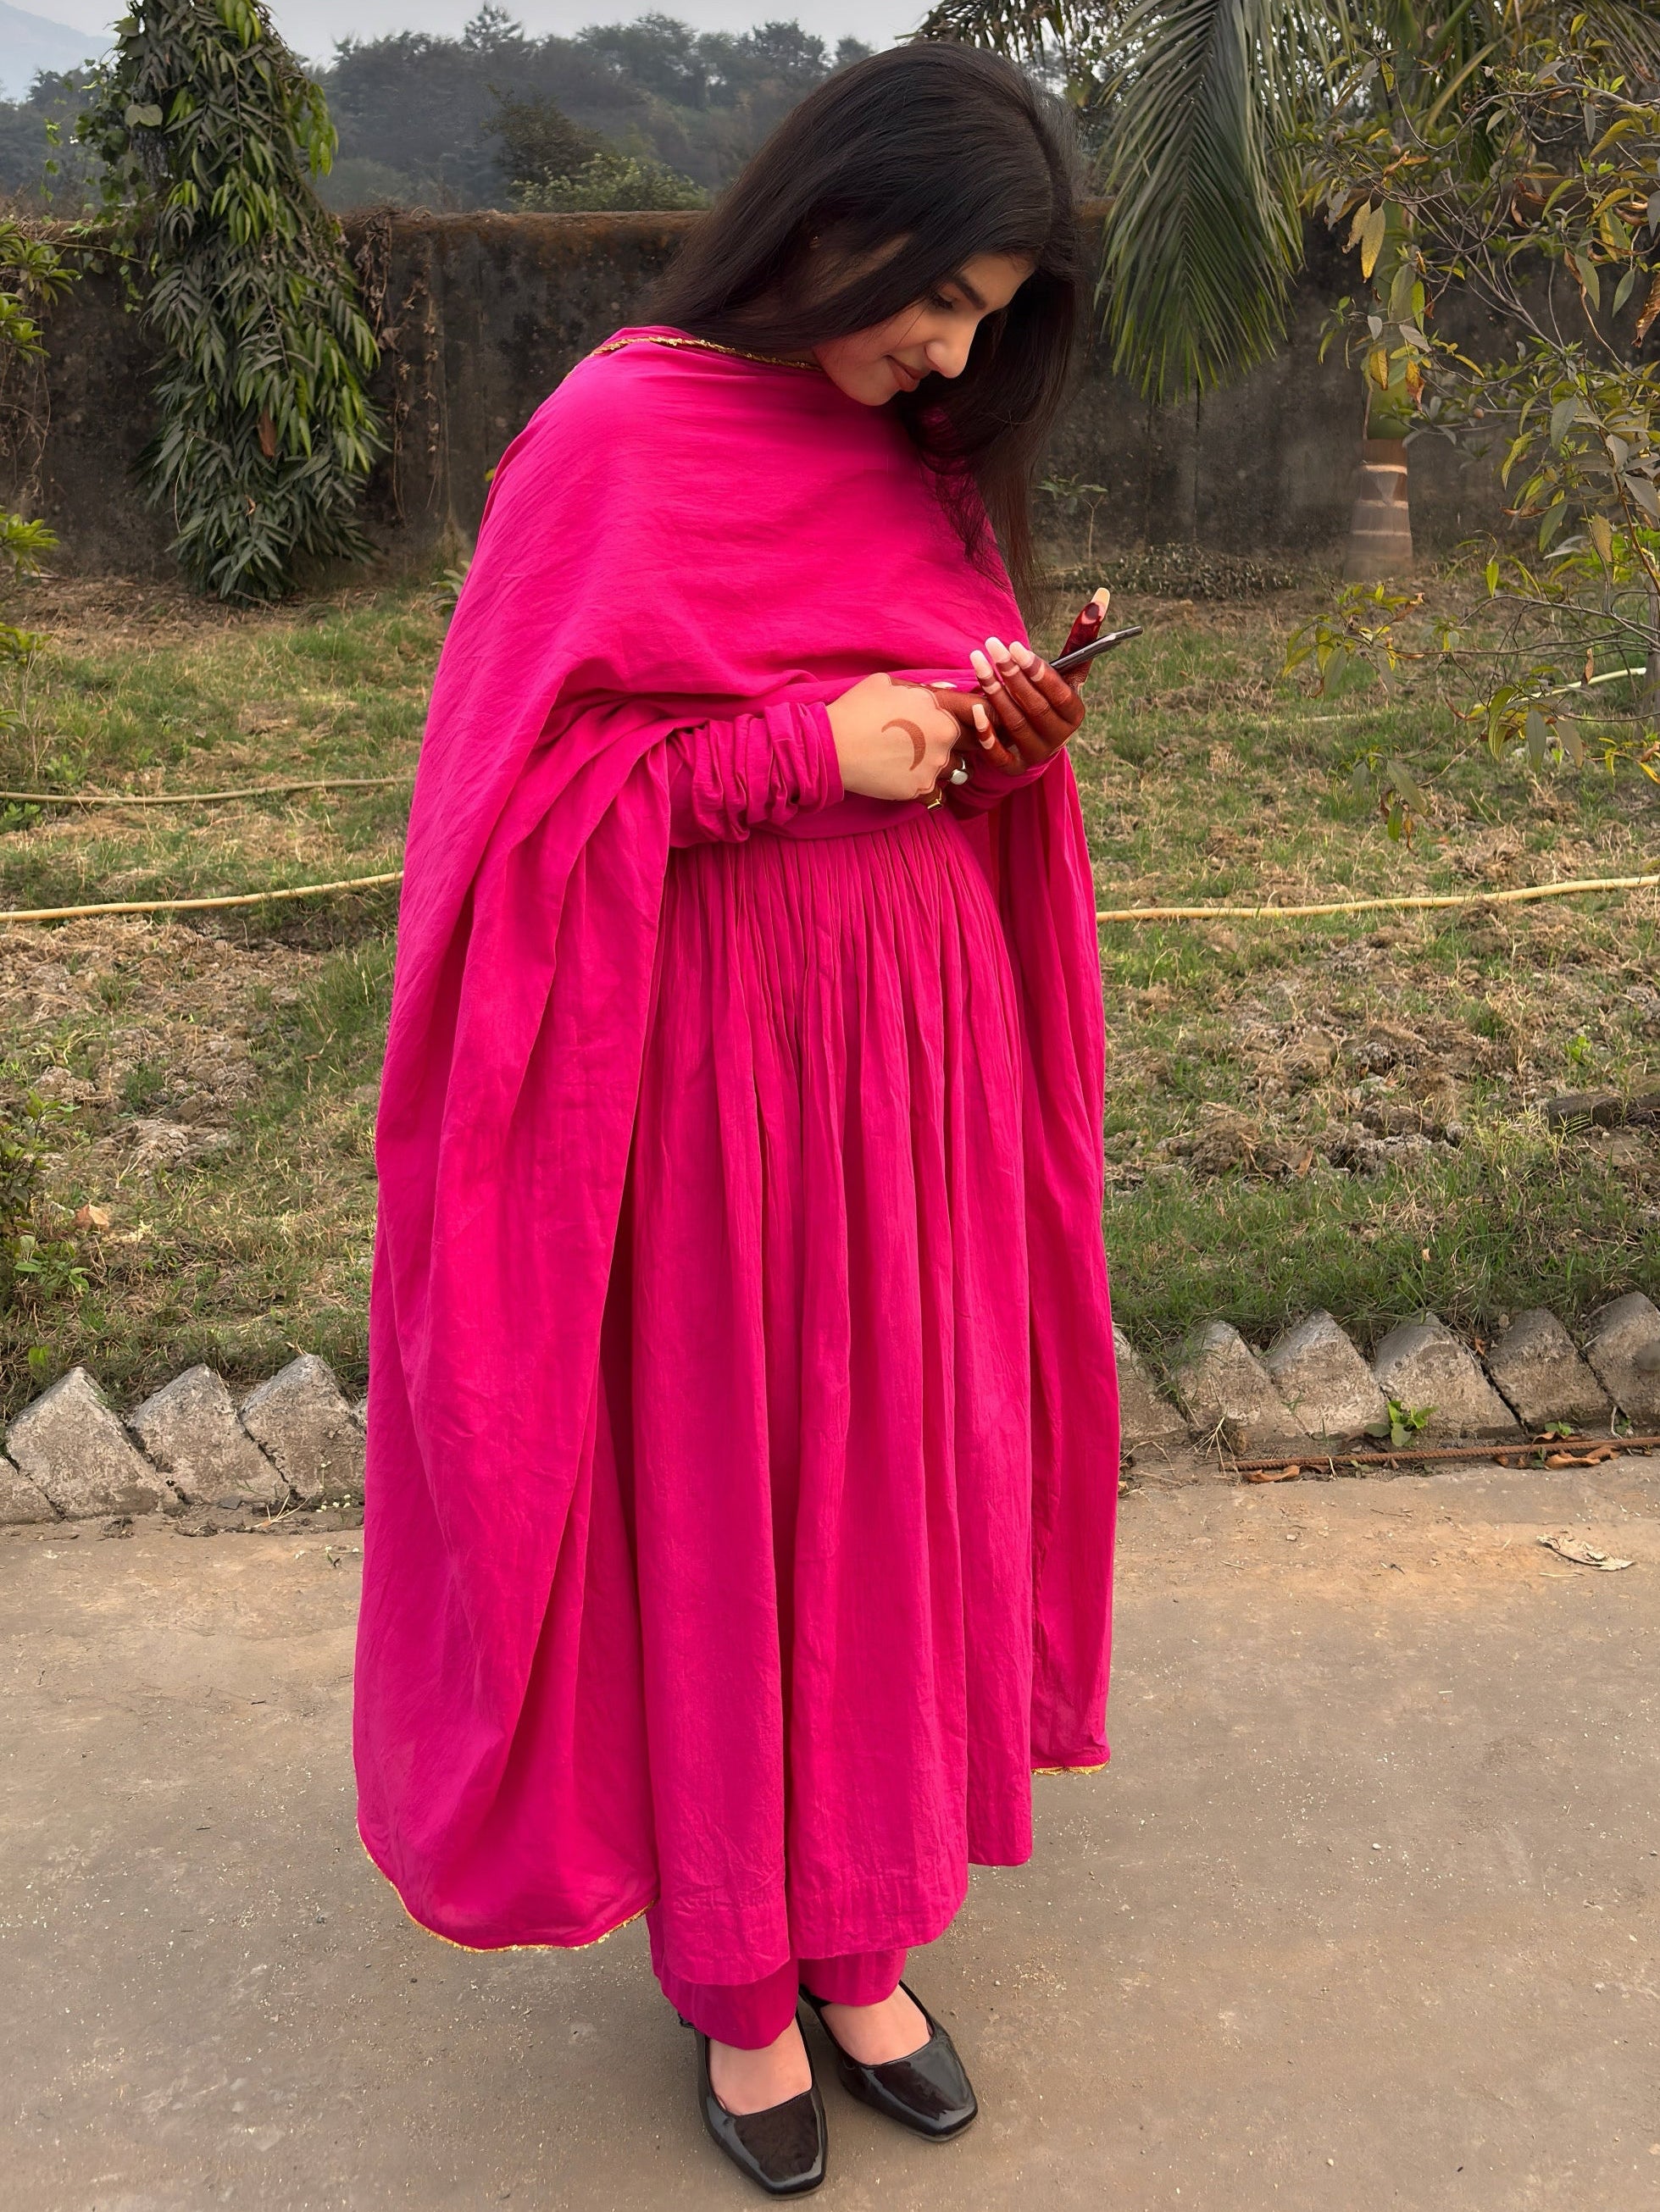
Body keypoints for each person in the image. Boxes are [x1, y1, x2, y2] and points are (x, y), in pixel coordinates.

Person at [353, 39, 1120, 2198]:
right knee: (723, 1478)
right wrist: (796, 760)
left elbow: (923, 721)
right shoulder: (619, 428)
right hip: (699, 1070)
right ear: (830, 213)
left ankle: (861, 1933)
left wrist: (994, 739)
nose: (950, 347)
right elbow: (513, 822)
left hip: (915, 1057)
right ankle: (728, 1974)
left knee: (890, 1463)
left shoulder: (929, 451)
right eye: (938, 293)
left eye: (989, 313)